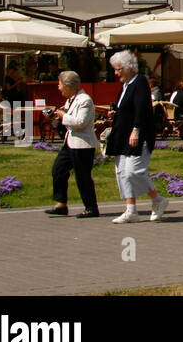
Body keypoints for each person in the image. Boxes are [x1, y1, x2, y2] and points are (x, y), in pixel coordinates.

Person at [105, 50, 168, 223]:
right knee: (122, 172)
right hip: (122, 135)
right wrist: (115, 113)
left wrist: (136, 130)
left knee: (133, 171)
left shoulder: (139, 82)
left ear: (129, 68)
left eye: (119, 69)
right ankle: (131, 209)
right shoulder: (126, 86)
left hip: (137, 135)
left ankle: (158, 199)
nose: (116, 73)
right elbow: (126, 109)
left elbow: (142, 109)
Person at [45, 71, 99, 218]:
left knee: (83, 176)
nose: (58, 87)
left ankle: (91, 208)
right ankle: (61, 204)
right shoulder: (71, 100)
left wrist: (64, 116)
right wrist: (56, 116)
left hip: (83, 145)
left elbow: (80, 123)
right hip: (70, 142)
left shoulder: (85, 100)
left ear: (69, 86)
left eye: (60, 84)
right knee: (58, 169)